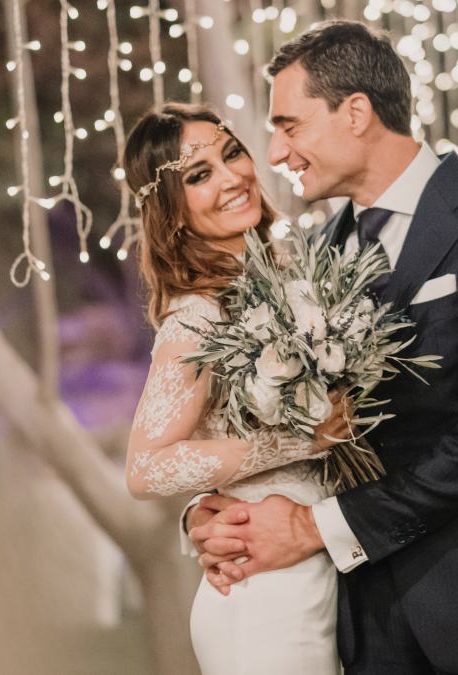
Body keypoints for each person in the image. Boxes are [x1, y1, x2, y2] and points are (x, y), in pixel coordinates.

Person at [186, 20, 458, 674]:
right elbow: (290, 427)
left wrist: (315, 528)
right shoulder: (313, 257)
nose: (277, 151)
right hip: (365, 624)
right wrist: (218, 519)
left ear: (355, 112)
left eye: (290, 125)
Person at [122, 102, 354, 673]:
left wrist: (200, 511)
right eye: (199, 176)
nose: (231, 178)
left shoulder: (288, 278)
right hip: (264, 598)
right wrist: (303, 441)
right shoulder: (197, 318)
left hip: (308, 569)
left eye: (232, 154)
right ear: (172, 212)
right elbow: (146, 468)